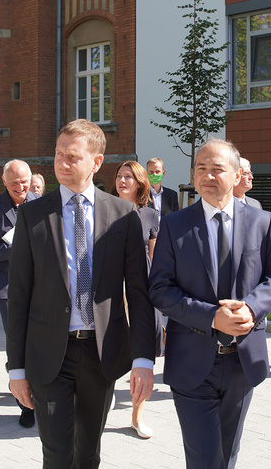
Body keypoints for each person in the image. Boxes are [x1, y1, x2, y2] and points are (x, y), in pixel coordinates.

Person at [6, 119, 155, 467]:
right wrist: (16, 369)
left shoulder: (123, 215)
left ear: (96, 162)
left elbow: (138, 292)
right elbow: (19, 295)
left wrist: (143, 358)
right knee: (56, 455)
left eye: (72, 156)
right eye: (58, 154)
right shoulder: (32, 216)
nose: (62, 163)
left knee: (88, 454)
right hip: (48, 355)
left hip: (100, 356)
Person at [149, 138, 271, 469]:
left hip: (243, 362)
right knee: (204, 460)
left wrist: (251, 308)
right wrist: (212, 317)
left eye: (217, 169)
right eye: (201, 169)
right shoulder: (174, 225)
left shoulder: (261, 221)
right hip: (193, 363)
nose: (207, 176)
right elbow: (160, 289)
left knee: (228, 455)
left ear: (238, 174)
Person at [0, 159, 39, 428]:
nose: (20, 186)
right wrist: (20, 249)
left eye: (24, 181)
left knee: (39, 343)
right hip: (9, 288)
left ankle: (40, 398)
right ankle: (25, 405)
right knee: (17, 343)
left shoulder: (40, 203)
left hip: (40, 287)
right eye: (14, 181)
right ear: (4, 181)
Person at [113, 160, 163, 440]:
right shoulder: (103, 209)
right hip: (108, 292)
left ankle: (136, 416)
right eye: (119, 176)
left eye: (129, 177)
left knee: (141, 355)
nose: (122, 181)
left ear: (140, 183)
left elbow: (155, 259)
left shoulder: (150, 215)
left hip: (140, 292)